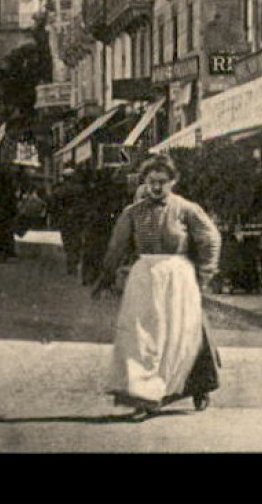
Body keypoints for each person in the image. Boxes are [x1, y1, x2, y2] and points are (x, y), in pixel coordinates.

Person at [93, 156, 222, 421]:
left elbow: (210, 238)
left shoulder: (186, 209)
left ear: (173, 182)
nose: (156, 187)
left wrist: (205, 273)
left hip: (178, 278)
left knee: (182, 334)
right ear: (145, 182)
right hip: (144, 277)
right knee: (142, 336)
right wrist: (106, 276)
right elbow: (117, 246)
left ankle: (194, 386)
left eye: (162, 182)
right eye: (151, 181)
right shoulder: (132, 212)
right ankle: (144, 395)